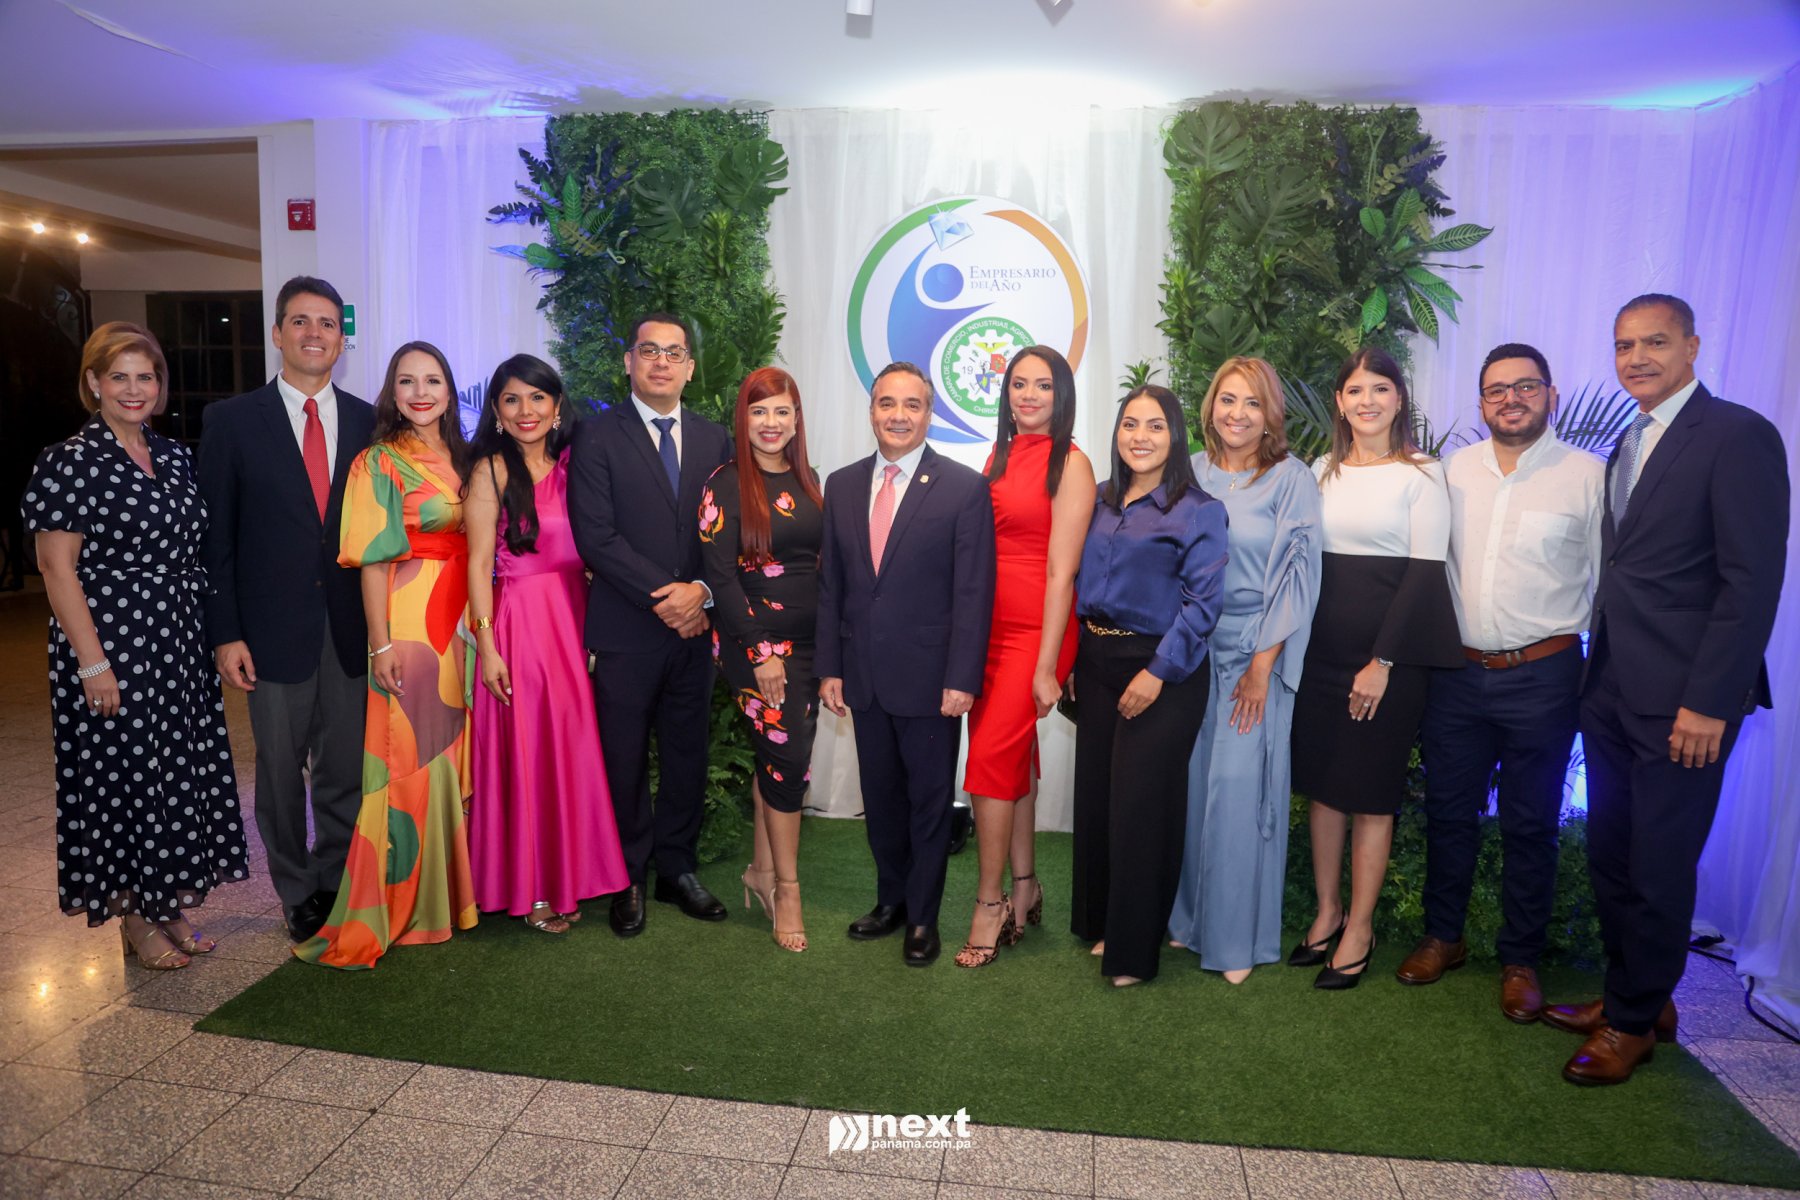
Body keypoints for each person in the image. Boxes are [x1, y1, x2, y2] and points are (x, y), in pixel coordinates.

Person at [1544, 295, 1788, 1085]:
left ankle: (1632, 1023)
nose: (1637, 357)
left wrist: (1710, 702)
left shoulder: (1739, 435)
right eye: (1624, 345)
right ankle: (1638, 1001)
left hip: (1688, 699)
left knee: (1659, 863)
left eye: (1655, 342)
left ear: (1691, 346)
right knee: (1612, 855)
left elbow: (1750, 583)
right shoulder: (1630, 438)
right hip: (1612, 685)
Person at [22, 322, 248, 969]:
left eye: (145, 376)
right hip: (111, 644)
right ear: (93, 383)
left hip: (176, 642)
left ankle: (165, 903)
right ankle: (134, 916)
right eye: (118, 376)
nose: (133, 388)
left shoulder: (173, 455)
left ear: (160, 385)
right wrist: (93, 663)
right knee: (122, 778)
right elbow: (56, 568)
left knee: (173, 775)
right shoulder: (68, 461)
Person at [1400, 343, 1603, 1022]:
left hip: (1545, 674)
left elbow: (1608, 585)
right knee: (1448, 811)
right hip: (1457, 673)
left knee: (1531, 821)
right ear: (1482, 401)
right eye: (1496, 390)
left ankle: (1520, 958)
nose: (1510, 399)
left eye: (1525, 387)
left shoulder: (1587, 477)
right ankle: (1444, 937)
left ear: (1551, 394)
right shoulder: (1451, 472)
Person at [198, 276, 374, 943]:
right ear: (277, 333)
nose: (314, 334)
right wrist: (226, 634)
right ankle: (295, 889)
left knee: (343, 769)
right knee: (277, 772)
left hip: (352, 628)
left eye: (327, 323)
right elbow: (215, 541)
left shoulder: (369, 420)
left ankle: (335, 879)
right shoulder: (232, 421)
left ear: (341, 340)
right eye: (300, 321)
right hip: (269, 634)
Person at [295, 341, 477, 969]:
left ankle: (451, 897)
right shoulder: (378, 461)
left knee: (450, 761)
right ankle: (406, 904)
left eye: (432, 381)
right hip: (411, 627)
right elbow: (372, 561)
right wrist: (382, 643)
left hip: (464, 625)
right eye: (407, 381)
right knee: (413, 761)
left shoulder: (467, 457)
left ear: (450, 390)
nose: (420, 393)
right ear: (391, 393)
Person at [1289, 348, 1462, 990]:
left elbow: (1423, 576)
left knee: (1369, 794)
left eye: (1381, 388)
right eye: (1356, 390)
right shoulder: (1320, 470)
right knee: (1324, 788)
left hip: (1386, 662)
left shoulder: (1424, 473)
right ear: (1339, 402)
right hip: (1320, 656)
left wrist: (1381, 662)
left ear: (1399, 399)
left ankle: (1359, 929)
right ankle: (1328, 911)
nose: (1368, 401)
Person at [817, 362, 996, 967]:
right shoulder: (841, 484)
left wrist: (962, 678)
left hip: (931, 681)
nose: (898, 415)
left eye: (912, 405)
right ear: (871, 410)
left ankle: (923, 917)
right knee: (882, 798)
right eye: (887, 403)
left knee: (927, 803)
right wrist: (830, 666)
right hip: (863, 676)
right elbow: (832, 585)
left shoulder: (963, 488)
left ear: (929, 413)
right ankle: (891, 900)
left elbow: (974, 593)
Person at [567, 313, 734, 937]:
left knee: (688, 753)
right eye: (649, 351)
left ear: (689, 368)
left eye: (673, 353)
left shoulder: (717, 439)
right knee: (624, 757)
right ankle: (627, 876)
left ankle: (677, 869)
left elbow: (729, 534)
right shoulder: (595, 436)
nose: (661, 362)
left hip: (696, 629)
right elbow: (596, 536)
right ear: (629, 362)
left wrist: (702, 594)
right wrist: (668, 598)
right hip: (628, 628)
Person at [1168, 357, 1321, 984]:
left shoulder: (1292, 478)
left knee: (1237, 794)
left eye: (1252, 403)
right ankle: (1187, 921)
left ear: (1271, 415)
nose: (1237, 414)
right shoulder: (1189, 472)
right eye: (1228, 400)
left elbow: (1297, 578)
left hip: (1255, 652)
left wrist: (1261, 667)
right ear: (1210, 407)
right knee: (1190, 789)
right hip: (1188, 652)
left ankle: (1235, 942)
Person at [465, 354, 629, 935]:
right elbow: (478, 564)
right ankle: (532, 888)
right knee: (530, 755)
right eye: (512, 399)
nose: (525, 410)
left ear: (558, 406)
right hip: (520, 626)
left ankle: (569, 877)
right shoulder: (490, 470)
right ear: (496, 410)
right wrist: (487, 646)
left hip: (574, 621)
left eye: (537, 397)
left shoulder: (577, 466)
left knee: (569, 753)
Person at [1071, 385, 1227, 987]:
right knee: (1100, 800)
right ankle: (1104, 923)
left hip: (1164, 668)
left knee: (1141, 808)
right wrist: (1074, 660)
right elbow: (1075, 579)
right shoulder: (1100, 498)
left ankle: (1134, 953)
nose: (1140, 436)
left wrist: (1157, 672)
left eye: (1155, 425)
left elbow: (1203, 605)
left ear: (1176, 435)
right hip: (1096, 660)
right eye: (1130, 424)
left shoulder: (1198, 509)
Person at [955, 346, 1095, 968]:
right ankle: (1026, 884)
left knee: (988, 760)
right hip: (986, 631)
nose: (1029, 395)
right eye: (1019, 384)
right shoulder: (999, 455)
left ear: (1061, 395)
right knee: (1010, 756)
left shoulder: (1072, 463)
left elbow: (1064, 572)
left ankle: (990, 904)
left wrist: (1046, 665)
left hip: (1036, 632)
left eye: (1043, 385)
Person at [698, 367, 825, 953]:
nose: (770, 423)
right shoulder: (724, 484)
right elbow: (721, 579)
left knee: (780, 759)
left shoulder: (809, 479)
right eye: (758, 411)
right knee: (789, 762)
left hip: (810, 647)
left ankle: (760, 871)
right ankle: (788, 891)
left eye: (781, 411)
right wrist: (760, 652)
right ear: (742, 419)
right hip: (756, 649)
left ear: (796, 419)